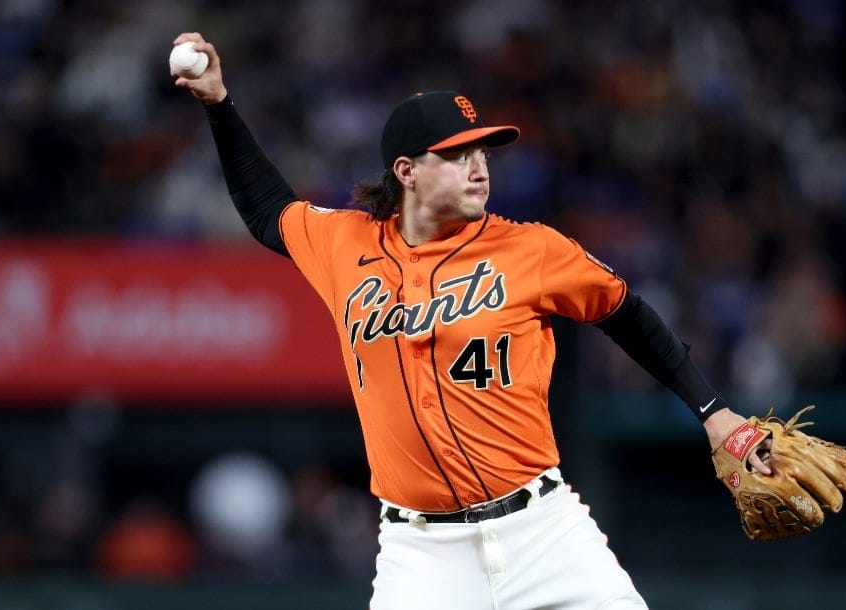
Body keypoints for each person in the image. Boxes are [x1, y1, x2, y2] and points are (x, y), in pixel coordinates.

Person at [172, 32, 773, 610]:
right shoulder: (343, 243)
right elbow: (268, 209)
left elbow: (627, 315)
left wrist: (713, 413)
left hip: (544, 530)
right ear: (406, 172)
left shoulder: (532, 249)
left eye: (482, 153)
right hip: (421, 554)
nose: (479, 168)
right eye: (458, 155)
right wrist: (220, 105)